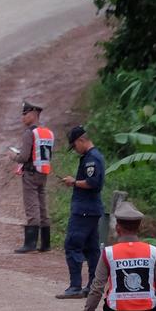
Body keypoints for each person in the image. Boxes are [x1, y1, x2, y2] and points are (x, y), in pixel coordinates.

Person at [57, 126, 105, 299]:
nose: (75, 150)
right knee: (92, 249)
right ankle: (92, 286)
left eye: (75, 146)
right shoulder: (93, 156)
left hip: (84, 210)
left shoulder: (92, 159)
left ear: (81, 141)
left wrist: (74, 182)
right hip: (91, 210)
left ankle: (76, 286)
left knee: (72, 245)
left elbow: (92, 183)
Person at [12, 101, 54, 253]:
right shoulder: (47, 133)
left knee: (32, 207)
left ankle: (30, 244)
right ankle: (45, 244)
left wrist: (13, 156)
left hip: (30, 173)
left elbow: (23, 156)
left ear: (34, 114)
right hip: (43, 173)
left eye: (25, 114)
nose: (23, 117)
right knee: (42, 206)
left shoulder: (30, 133)